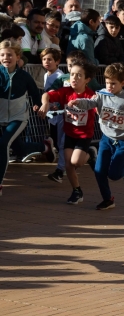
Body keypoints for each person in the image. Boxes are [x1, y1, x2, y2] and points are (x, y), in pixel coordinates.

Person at [67, 63, 124, 210]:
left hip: (122, 141)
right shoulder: (102, 94)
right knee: (99, 171)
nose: (109, 86)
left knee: (114, 175)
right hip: (105, 140)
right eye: (107, 82)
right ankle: (108, 199)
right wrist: (78, 102)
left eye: (113, 84)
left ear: (122, 83)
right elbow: (91, 102)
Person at [39, 60, 97, 204]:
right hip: (70, 133)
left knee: (75, 161)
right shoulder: (65, 92)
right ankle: (77, 191)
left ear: (87, 80)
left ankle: (90, 154)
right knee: (68, 164)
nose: (74, 78)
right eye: (72, 75)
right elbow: (47, 94)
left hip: (84, 135)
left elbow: (98, 109)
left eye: (79, 75)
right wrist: (45, 103)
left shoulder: (91, 96)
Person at [0, 41, 53, 196]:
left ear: (18, 57)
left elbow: (34, 94)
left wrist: (39, 105)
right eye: (2, 55)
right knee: (19, 149)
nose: (5, 58)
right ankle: (45, 147)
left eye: (9, 55)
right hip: (1, 117)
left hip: (19, 117)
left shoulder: (24, 76)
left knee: (3, 144)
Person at [41, 48, 65, 182]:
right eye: (44, 59)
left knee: (61, 141)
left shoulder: (59, 76)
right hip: (51, 113)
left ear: (57, 61)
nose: (46, 62)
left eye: (49, 59)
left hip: (59, 113)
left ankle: (62, 169)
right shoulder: (46, 75)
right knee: (56, 139)